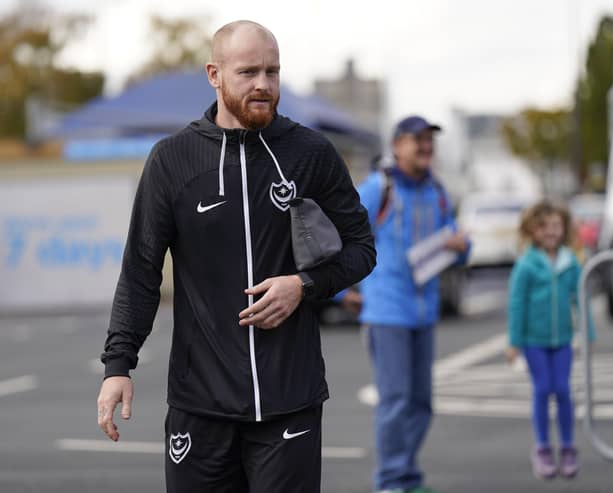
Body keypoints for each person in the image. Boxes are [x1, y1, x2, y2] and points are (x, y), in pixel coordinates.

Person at [96, 20, 376, 493]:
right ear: (214, 74)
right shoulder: (173, 160)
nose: (264, 85)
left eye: (273, 72)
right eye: (248, 72)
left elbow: (362, 248)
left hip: (290, 400)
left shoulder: (311, 153)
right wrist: (117, 366)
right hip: (199, 405)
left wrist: (302, 286)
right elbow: (141, 271)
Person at [339, 116, 470, 493]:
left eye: (430, 140)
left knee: (421, 404)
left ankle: (407, 474)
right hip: (386, 311)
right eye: (418, 140)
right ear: (397, 144)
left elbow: (456, 243)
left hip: (424, 312)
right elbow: (340, 235)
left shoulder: (438, 192)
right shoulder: (378, 189)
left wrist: (462, 249)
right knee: (396, 403)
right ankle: (392, 481)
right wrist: (339, 290)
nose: (426, 147)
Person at [506, 200, 595, 480]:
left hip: (563, 340)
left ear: (564, 228)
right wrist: (514, 341)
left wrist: (587, 333)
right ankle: (543, 448)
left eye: (556, 225)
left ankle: (568, 446)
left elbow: (580, 300)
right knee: (543, 389)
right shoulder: (526, 265)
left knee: (563, 390)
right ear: (532, 231)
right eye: (543, 227)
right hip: (534, 341)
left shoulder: (570, 262)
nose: (550, 232)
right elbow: (517, 304)